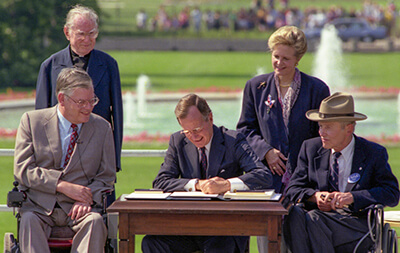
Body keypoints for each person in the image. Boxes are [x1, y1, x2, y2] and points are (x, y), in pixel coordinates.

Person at [236, 26, 330, 252]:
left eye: (286, 58)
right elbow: (244, 130)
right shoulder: (255, 87)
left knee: (300, 242)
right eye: (275, 56)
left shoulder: (317, 89)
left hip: (305, 181)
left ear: (298, 59)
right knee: (268, 241)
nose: (279, 62)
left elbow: (324, 134)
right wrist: (265, 151)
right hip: (267, 182)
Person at [141, 93, 272, 253]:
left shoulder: (233, 140)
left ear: (210, 118)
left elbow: (262, 176)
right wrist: (196, 184)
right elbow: (161, 181)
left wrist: (226, 185)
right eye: (187, 131)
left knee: (218, 246)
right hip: (187, 227)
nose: (193, 137)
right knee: (151, 242)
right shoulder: (178, 141)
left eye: (197, 129)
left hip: (225, 229)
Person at [14, 68, 116, 253]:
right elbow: (23, 170)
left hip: (81, 210)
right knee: (28, 221)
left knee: (95, 222)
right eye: (81, 102)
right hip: (39, 207)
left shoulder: (102, 128)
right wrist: (60, 185)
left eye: (92, 100)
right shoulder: (32, 121)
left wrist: (87, 199)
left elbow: (106, 176)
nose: (89, 107)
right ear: (62, 99)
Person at [283, 92, 400, 253]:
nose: (321, 132)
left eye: (328, 127)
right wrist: (315, 196)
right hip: (317, 221)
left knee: (314, 219)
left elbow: (391, 194)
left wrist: (352, 198)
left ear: (348, 128)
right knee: (295, 214)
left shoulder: (373, 153)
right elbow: (292, 190)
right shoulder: (310, 148)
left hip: (356, 225)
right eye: (320, 126)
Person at [35, 4, 123, 173]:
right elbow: (40, 118)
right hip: (58, 157)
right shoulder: (49, 66)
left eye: (92, 34)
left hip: (97, 154)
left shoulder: (109, 64)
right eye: (81, 34)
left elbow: (117, 115)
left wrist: (114, 161)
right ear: (67, 33)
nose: (87, 39)